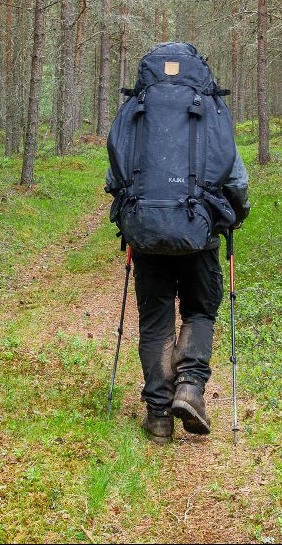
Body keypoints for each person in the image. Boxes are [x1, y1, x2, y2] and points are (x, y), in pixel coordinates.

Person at [105, 42, 250, 443]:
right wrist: (236, 215)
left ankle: (157, 416)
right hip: (199, 234)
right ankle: (189, 388)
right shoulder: (209, 111)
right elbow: (234, 176)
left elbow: (115, 175)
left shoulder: (139, 110)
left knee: (155, 323)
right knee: (200, 310)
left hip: (148, 234)